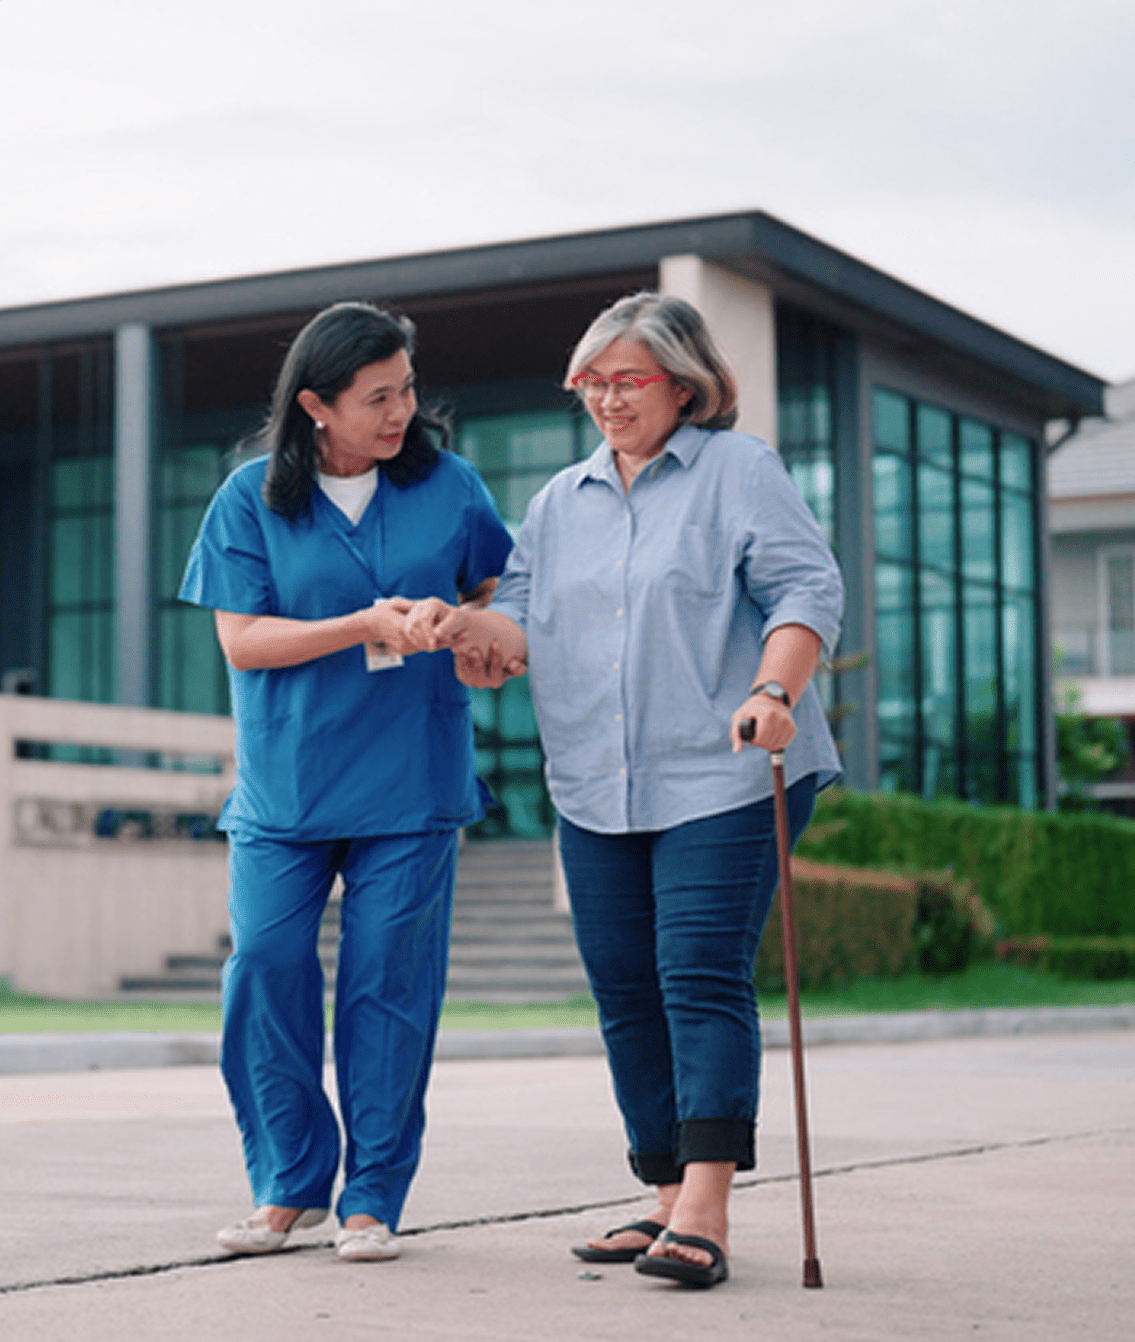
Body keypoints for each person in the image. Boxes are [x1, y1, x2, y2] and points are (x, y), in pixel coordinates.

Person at [411, 292, 843, 1289]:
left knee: (695, 970)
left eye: (626, 379)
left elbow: (806, 587)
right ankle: (659, 1196)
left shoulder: (740, 471)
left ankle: (704, 1208)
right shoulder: (560, 501)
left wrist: (775, 687)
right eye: (590, 382)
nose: (605, 399)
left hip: (726, 769)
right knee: (624, 987)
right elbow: (519, 621)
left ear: (684, 385)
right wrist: (462, 629)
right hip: (596, 782)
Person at [180, 302, 512, 1262]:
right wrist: (365, 624)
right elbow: (243, 641)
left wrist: (458, 623)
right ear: (317, 405)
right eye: (378, 397)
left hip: (412, 778)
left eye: (406, 388)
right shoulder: (250, 499)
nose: (402, 409)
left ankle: (371, 1197)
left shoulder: (449, 486)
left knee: (387, 987)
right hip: (288, 785)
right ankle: (288, 1183)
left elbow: (494, 589)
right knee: (266, 970)